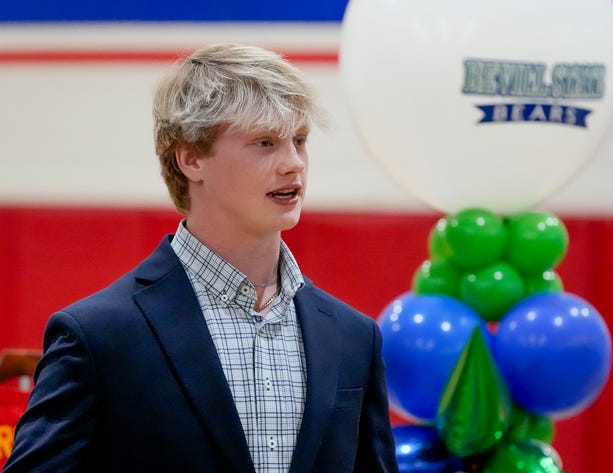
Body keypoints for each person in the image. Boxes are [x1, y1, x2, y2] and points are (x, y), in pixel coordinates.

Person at [3, 42, 399, 473]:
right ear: (191, 158)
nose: (293, 164)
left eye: (299, 141)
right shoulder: (99, 336)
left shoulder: (355, 337)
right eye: (265, 142)